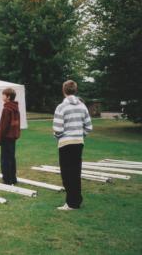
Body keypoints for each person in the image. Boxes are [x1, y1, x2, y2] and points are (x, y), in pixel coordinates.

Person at [53, 80, 93, 211]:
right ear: (75, 90)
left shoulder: (61, 107)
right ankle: (76, 200)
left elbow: (57, 129)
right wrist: (80, 135)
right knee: (76, 172)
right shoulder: (82, 106)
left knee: (67, 174)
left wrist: (59, 137)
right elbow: (89, 127)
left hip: (66, 143)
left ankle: (71, 203)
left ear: (64, 90)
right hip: (78, 143)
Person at [0, 88, 21, 185]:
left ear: (8, 97)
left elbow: (4, 126)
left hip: (6, 137)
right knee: (11, 158)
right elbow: (17, 124)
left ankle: (7, 179)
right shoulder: (15, 108)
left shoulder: (7, 109)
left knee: (5, 159)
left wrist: (0, 138)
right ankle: (13, 178)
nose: (2, 96)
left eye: (4, 95)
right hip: (13, 137)